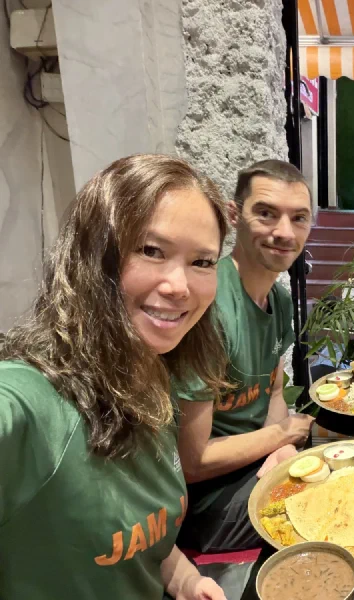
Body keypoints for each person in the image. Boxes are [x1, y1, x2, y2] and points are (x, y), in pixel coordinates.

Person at [0, 155, 229, 599]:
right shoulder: (33, 398)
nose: (180, 285)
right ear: (92, 253)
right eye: (151, 250)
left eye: (202, 261)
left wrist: (187, 582)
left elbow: (146, 541)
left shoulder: (152, 379)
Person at [176, 160, 315, 553]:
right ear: (235, 215)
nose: (284, 232)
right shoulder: (210, 305)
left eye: (298, 218)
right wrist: (283, 434)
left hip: (254, 466)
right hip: (202, 501)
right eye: (266, 213)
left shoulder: (281, 302)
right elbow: (192, 461)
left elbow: (272, 393)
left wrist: (283, 450)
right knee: (322, 506)